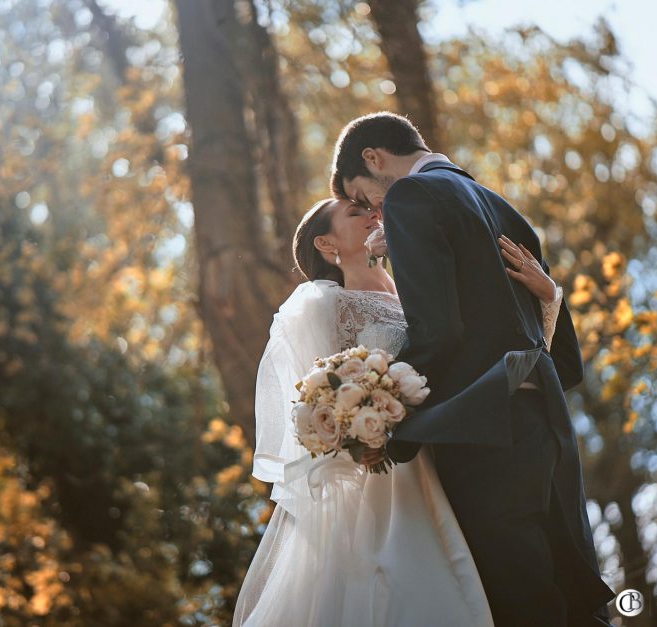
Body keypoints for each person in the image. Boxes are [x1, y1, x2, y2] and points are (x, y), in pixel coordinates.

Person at [331, 111, 616, 626]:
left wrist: (389, 421)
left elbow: (438, 331)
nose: (372, 209)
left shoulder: (410, 198)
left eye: (362, 195)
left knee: (520, 601)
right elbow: (553, 351)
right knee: (574, 595)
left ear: (373, 158)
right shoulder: (501, 207)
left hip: (484, 433)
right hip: (546, 426)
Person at [232, 192, 566, 626]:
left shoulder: (428, 295)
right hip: (388, 476)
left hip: (457, 457)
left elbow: (505, 361)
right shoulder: (327, 308)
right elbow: (316, 402)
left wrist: (548, 298)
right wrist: (354, 430)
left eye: (372, 208)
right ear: (326, 245)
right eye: (355, 213)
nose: (374, 213)